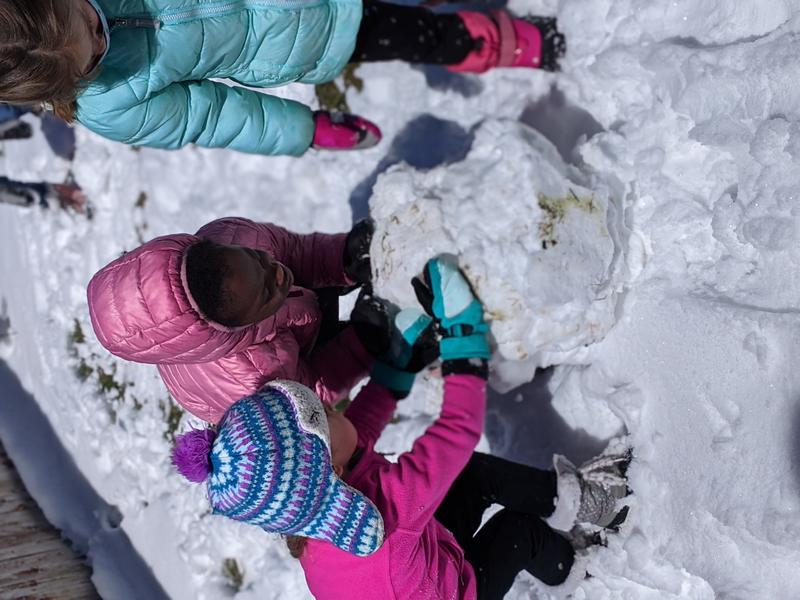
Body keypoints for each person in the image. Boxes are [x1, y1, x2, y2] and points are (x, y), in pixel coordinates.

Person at [171, 255, 629, 599]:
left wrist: (397, 368)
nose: (333, 408)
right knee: (518, 532)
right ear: (330, 470)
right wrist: (463, 337)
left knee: (471, 477)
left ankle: (573, 505)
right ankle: (575, 565)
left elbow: (355, 434)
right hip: (456, 590)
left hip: (418, 561)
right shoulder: (388, 509)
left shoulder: (320, 508)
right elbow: (456, 431)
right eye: (326, 415)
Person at [0, 0, 565, 155]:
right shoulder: (110, 105)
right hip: (309, 36)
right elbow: (213, 117)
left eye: (87, 20)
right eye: (92, 57)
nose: (103, 35)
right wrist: (305, 130)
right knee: (416, 33)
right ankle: (494, 42)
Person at [87, 216, 387, 423]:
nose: (276, 272)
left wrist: (343, 257)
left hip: (285, 321)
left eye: (255, 257)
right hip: (278, 364)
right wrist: (363, 342)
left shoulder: (235, 237)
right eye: (265, 292)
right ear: (234, 329)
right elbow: (314, 389)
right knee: (374, 328)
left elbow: (291, 251)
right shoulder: (255, 380)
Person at [0, 175, 87, 212]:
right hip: (49, 187)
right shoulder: (79, 191)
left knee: (27, 199)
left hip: (47, 196)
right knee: (19, 183)